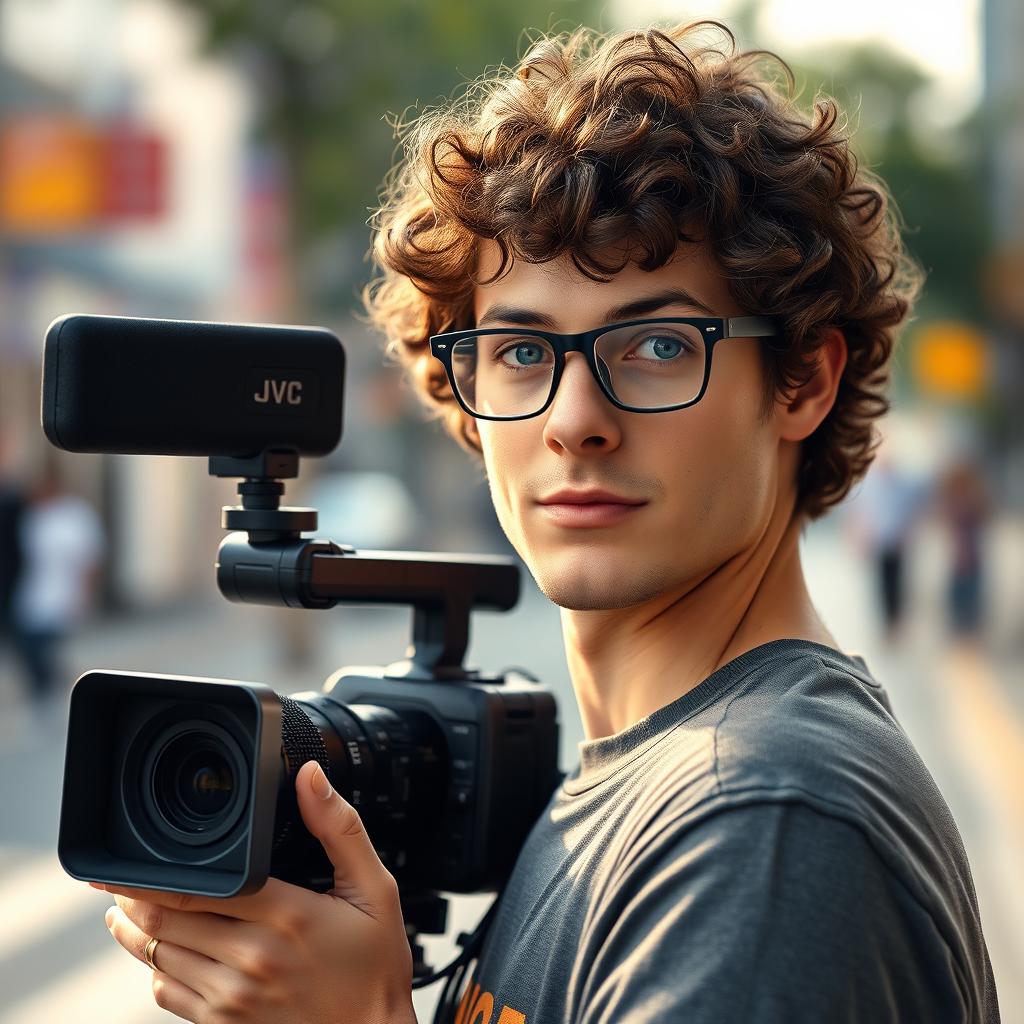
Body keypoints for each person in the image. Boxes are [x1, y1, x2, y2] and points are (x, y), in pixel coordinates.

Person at [358, 20, 999, 1023]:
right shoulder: (650, 777)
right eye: (522, 354)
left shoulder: (761, 820)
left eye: (656, 345)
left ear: (801, 381)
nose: (576, 422)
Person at [10, 455, 104, 725]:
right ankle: (48, 693)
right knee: (30, 649)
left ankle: (56, 695)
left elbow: (90, 559)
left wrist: (84, 595)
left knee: (46, 649)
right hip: (32, 593)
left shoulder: (74, 515)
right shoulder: (34, 515)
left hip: (63, 595)